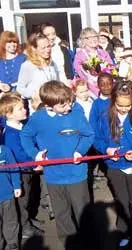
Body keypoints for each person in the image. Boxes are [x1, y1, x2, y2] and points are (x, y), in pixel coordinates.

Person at [20, 81, 94, 249]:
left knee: (83, 212)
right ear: (48, 105)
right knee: (62, 214)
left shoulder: (75, 114)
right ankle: (70, 244)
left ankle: (90, 243)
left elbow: (89, 135)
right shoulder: (38, 119)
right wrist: (36, 154)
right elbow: (25, 136)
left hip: (77, 174)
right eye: (62, 105)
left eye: (69, 102)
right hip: (54, 177)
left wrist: (80, 151)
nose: (68, 107)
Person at [94, 80, 132, 248]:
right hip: (114, 166)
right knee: (121, 199)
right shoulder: (104, 117)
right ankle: (124, 230)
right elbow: (97, 139)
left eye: (127, 106)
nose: (123, 109)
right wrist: (106, 149)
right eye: (119, 105)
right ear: (113, 100)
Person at [0, 93, 44, 239]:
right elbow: (18, 155)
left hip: (28, 169)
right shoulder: (10, 135)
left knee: (29, 197)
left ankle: (28, 219)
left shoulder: (22, 125)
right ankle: (24, 227)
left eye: (24, 107)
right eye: (20, 109)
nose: (25, 110)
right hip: (21, 171)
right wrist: (34, 163)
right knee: (22, 200)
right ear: (9, 114)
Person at [17, 33, 59, 112]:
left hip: (53, 105)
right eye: (43, 48)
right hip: (38, 108)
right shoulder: (28, 65)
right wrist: (33, 95)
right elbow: (20, 88)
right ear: (34, 48)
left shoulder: (52, 63)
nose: (47, 50)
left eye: (48, 46)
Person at [73, 27, 113, 98]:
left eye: (95, 36)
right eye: (89, 37)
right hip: (90, 91)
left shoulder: (103, 53)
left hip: (106, 86)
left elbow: (111, 68)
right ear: (83, 40)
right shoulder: (80, 55)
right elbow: (81, 74)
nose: (94, 39)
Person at [0, 144, 21, 250]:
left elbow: (14, 168)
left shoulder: (5, 150)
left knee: (11, 220)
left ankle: (12, 242)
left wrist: (17, 185)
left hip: (7, 193)